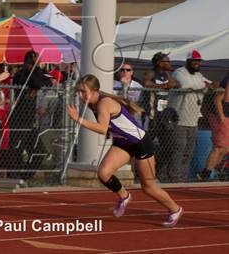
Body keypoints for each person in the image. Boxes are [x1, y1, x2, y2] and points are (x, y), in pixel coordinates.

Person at [67, 74, 183, 227]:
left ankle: (175, 209)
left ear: (95, 90)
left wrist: (78, 119)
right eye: (78, 91)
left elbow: (102, 129)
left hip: (140, 143)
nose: (80, 95)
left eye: (83, 91)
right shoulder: (92, 103)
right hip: (123, 143)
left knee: (148, 187)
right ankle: (124, 195)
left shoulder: (104, 103)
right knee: (104, 173)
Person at [167, 50, 218, 182]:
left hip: (193, 120)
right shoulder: (179, 72)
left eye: (199, 61)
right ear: (188, 61)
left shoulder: (199, 75)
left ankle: (182, 177)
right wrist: (205, 86)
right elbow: (184, 84)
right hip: (178, 119)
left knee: (188, 152)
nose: (197, 63)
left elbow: (215, 85)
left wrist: (204, 86)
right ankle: (174, 177)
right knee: (179, 149)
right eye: (194, 61)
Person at [142, 52, 180, 182]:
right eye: (167, 61)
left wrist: (171, 84)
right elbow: (146, 84)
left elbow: (178, 84)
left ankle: (156, 172)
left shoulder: (167, 75)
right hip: (152, 116)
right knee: (144, 145)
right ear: (159, 63)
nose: (169, 63)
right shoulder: (152, 73)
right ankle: (139, 172)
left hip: (164, 118)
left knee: (169, 147)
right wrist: (162, 86)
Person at [198, 72, 229, 180]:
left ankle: (213, 170)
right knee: (220, 147)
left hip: (226, 116)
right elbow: (218, 99)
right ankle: (205, 174)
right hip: (221, 116)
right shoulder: (226, 82)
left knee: (225, 149)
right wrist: (221, 117)